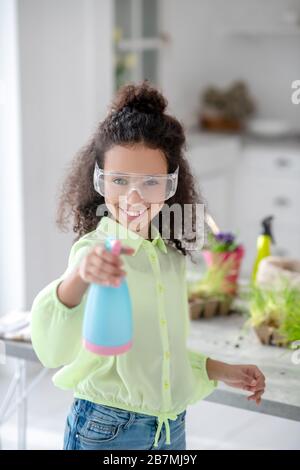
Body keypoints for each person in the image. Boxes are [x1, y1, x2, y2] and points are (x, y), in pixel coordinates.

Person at [30, 81, 265, 450]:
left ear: (172, 184)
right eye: (119, 180)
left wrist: (221, 371)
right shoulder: (94, 252)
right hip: (108, 429)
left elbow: (158, 353)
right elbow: (52, 350)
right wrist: (79, 277)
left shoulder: (167, 257)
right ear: (99, 180)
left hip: (170, 427)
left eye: (151, 182)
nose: (133, 197)